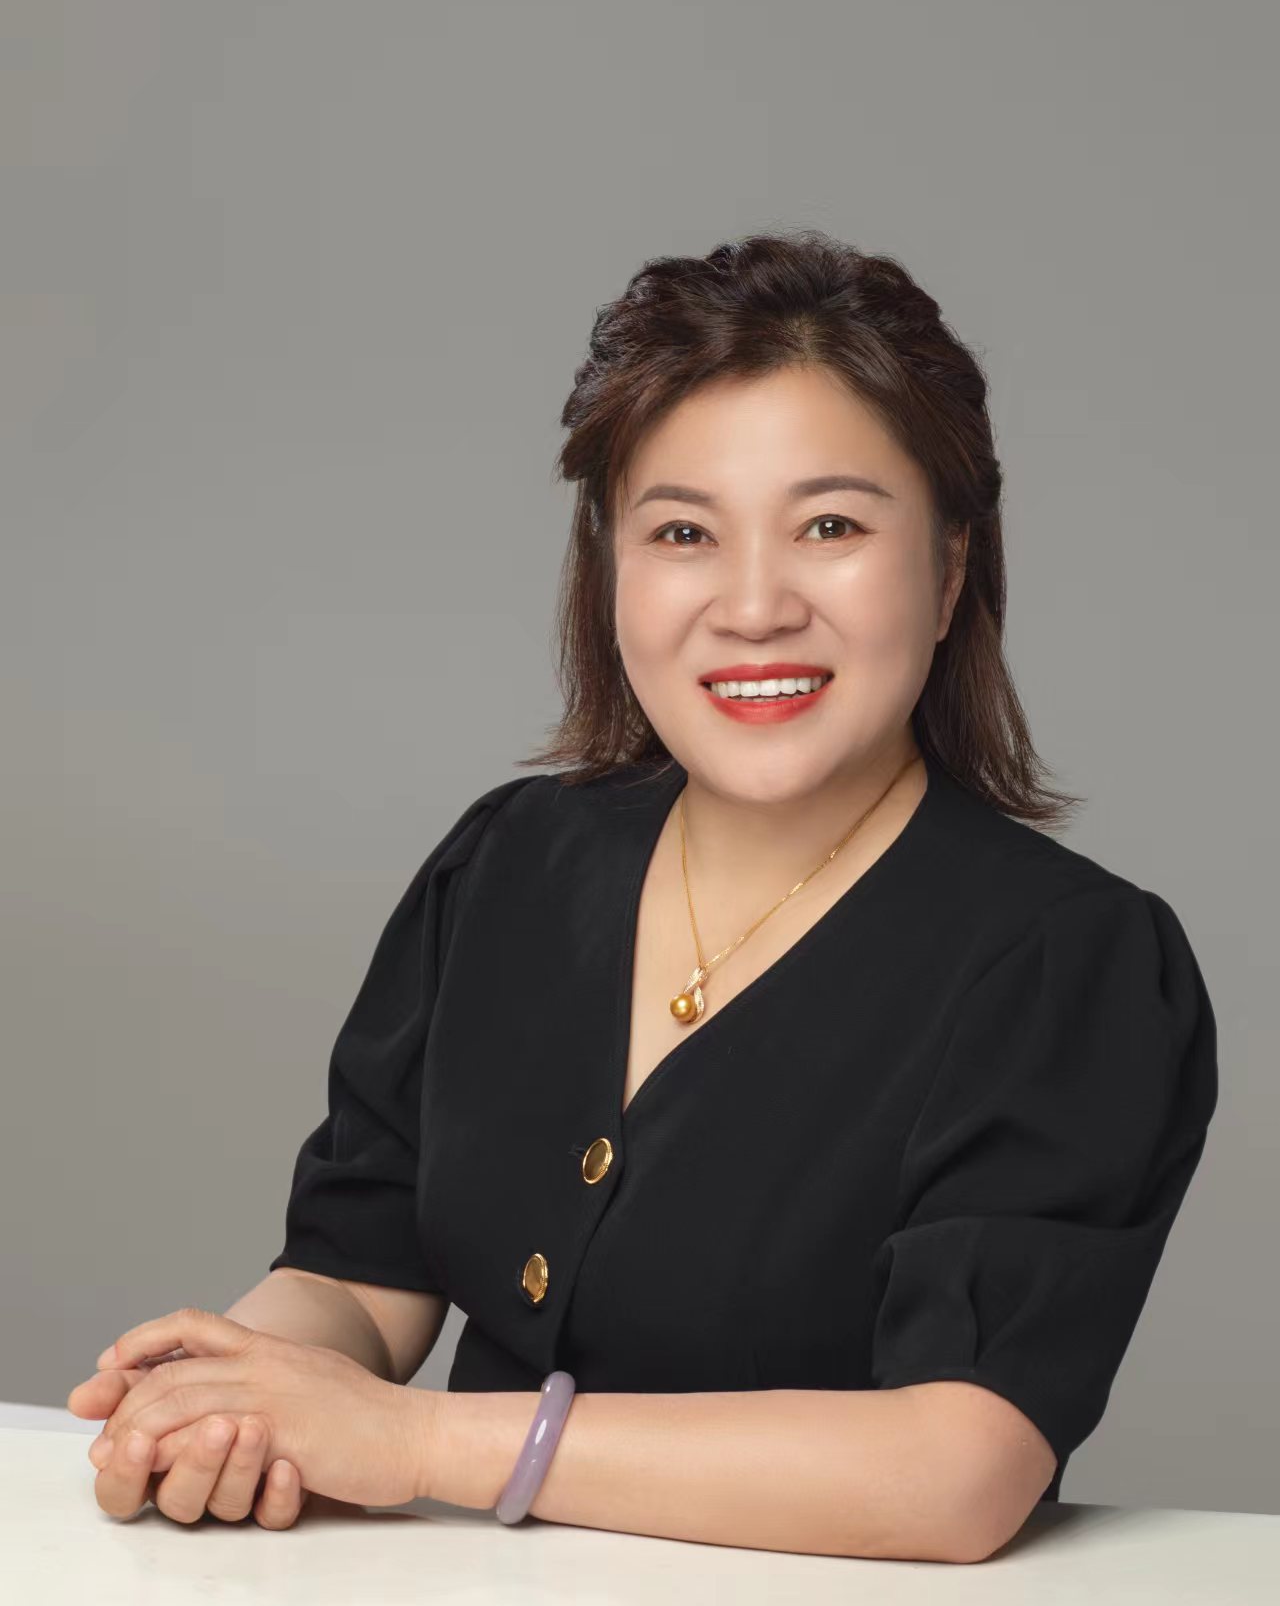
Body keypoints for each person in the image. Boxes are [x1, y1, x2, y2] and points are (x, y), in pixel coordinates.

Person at [68, 231, 1218, 1561]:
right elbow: (357, 1275)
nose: (753, 606)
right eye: (682, 533)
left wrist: (419, 1443)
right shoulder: (506, 863)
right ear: (610, 568)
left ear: (951, 568)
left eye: (831, 527)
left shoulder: (1070, 964)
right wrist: (231, 1397)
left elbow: (956, 1470)